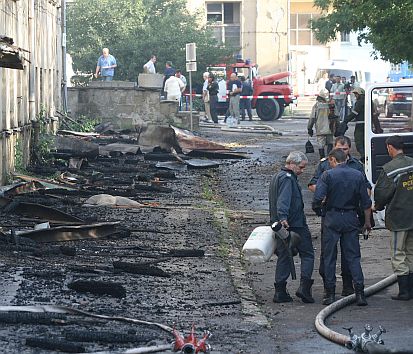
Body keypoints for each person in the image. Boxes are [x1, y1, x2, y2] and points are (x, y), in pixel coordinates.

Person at [308, 135, 372, 297]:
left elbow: (317, 198)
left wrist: (321, 210)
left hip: (332, 217)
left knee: (329, 256)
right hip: (351, 217)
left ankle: (330, 293)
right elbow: (366, 201)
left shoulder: (328, 174)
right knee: (353, 256)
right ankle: (359, 292)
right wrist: (367, 222)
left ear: (333, 160)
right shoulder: (356, 174)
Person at [269, 151, 315, 304]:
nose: (302, 171)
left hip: (280, 227)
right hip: (294, 224)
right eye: (301, 167)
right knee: (307, 254)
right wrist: (283, 218)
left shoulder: (277, 176)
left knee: (284, 256)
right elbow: (284, 200)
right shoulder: (288, 179)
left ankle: (280, 291)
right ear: (292, 164)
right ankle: (304, 288)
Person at [373, 135, 413, 300]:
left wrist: (377, 206)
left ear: (390, 147)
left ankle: (404, 291)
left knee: (398, 253)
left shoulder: (390, 169)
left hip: (399, 219)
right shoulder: (411, 162)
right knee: (411, 252)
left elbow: (382, 194)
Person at [308, 89, 337, 159]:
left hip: (320, 129)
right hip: (330, 128)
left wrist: (309, 128)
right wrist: (338, 127)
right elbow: (337, 117)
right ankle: (330, 158)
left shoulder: (316, 106)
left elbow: (312, 118)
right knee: (330, 143)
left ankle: (322, 158)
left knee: (321, 144)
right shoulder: (332, 105)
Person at [340, 87, 366, 161]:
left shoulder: (360, 102)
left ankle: (364, 156)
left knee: (359, 141)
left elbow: (354, 113)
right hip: (368, 125)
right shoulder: (369, 101)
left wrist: (345, 120)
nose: (355, 96)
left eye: (356, 94)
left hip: (360, 125)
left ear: (360, 94)